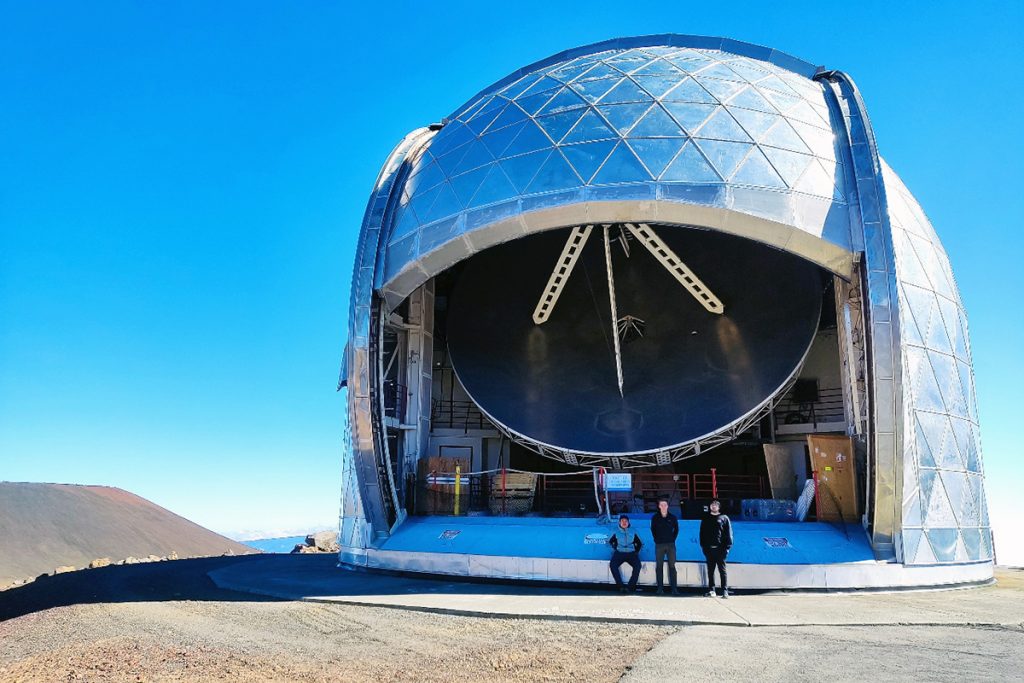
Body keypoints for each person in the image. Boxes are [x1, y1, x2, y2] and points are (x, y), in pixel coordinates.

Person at [699, 498, 733, 598]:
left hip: (721, 549)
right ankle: (711, 590)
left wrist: (727, 547)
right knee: (710, 571)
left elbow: (729, 533)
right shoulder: (705, 518)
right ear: (710, 506)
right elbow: (702, 533)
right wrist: (704, 547)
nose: (713, 506)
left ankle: (724, 591)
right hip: (709, 549)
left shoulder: (724, 518)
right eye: (712, 504)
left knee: (722, 570)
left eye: (715, 505)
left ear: (718, 507)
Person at [650, 499, 679, 595]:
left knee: (672, 566)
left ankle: (674, 589)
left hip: (671, 544)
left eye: (665, 505)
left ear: (667, 506)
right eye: (661, 505)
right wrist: (657, 540)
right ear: (659, 506)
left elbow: (676, 529)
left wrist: (672, 539)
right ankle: (659, 589)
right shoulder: (655, 518)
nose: (663, 506)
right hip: (659, 545)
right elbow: (653, 530)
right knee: (659, 567)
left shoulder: (672, 517)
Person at [608, 514, 642, 592]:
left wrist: (636, 552)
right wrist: (615, 548)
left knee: (638, 566)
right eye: (622, 521)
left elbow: (639, 543)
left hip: (631, 553)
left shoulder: (633, 531)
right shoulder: (615, 531)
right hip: (619, 553)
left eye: (626, 521)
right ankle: (620, 586)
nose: (624, 523)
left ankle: (630, 587)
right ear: (619, 522)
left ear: (628, 522)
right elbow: (610, 541)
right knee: (613, 565)